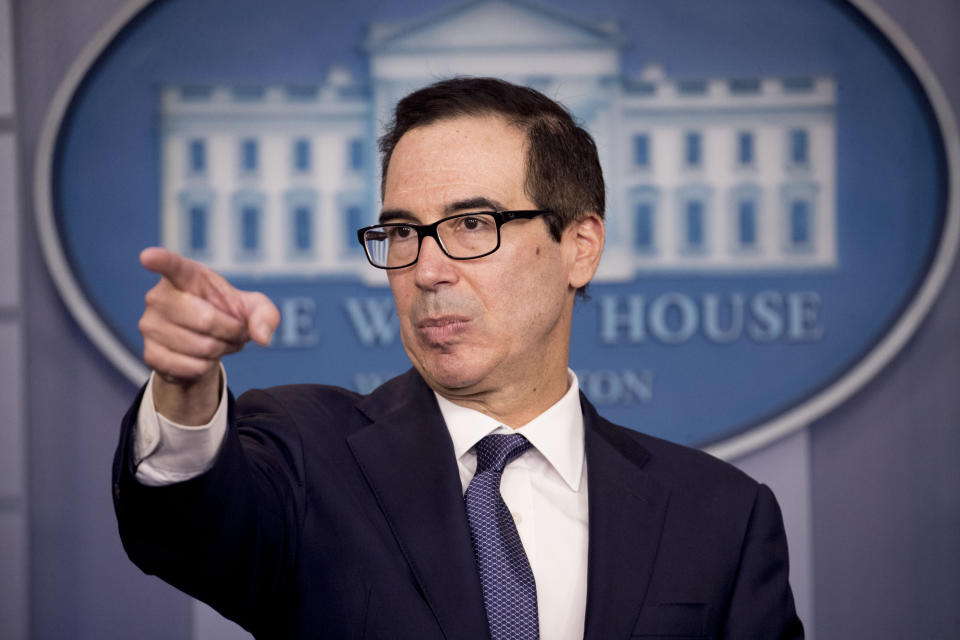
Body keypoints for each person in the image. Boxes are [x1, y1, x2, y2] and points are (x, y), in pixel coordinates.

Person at [113, 77, 803, 639]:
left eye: (472, 224)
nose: (428, 269)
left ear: (580, 246)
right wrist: (185, 389)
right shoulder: (306, 455)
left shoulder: (720, 516)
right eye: (402, 231)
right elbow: (187, 528)